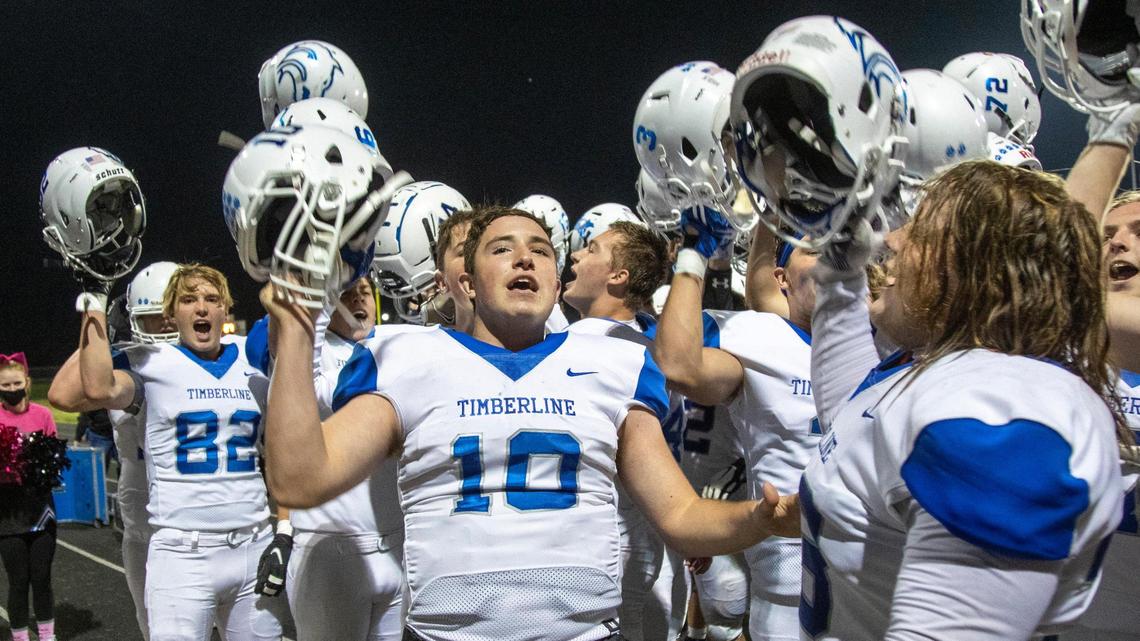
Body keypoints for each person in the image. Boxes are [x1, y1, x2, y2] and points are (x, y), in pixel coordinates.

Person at [262, 206, 799, 641]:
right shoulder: (405, 356)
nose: (525, 258)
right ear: (466, 282)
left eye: (541, 250)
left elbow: (680, 514)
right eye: (503, 249)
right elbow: (300, 478)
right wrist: (294, 324)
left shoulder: (614, 362)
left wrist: (758, 519)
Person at [804, 160, 1124, 640]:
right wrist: (839, 265)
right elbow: (844, 411)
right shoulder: (932, 369)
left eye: (922, 228)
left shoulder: (998, 404)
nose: (892, 240)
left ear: (976, 266)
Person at [49, 263, 285, 641]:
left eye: (212, 299)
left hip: (253, 540)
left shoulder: (249, 353)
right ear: (172, 312)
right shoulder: (148, 362)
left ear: (226, 309)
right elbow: (92, 388)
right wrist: (95, 302)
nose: (202, 308)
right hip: (182, 551)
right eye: (189, 300)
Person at [654, 208, 818, 641]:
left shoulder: (888, 337)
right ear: (783, 278)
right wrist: (693, 257)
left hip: (885, 573)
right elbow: (679, 366)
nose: (833, 257)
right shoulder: (765, 339)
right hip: (789, 589)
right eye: (816, 248)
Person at [561, 219, 684, 641]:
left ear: (619, 276)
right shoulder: (650, 343)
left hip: (606, 538)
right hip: (641, 536)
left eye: (591, 249)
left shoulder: (590, 346)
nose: (575, 254)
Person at [0, 353, 59, 641]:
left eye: (16, 383)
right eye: (5, 385)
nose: (12, 389)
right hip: (6, 513)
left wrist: (47, 464)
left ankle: (48, 635)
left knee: (42, 578)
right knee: (18, 581)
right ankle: (20, 636)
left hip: (41, 510)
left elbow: (56, 461)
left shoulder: (43, 415)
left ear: (27, 382)